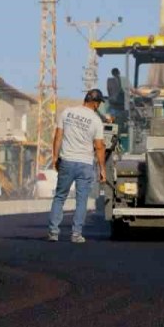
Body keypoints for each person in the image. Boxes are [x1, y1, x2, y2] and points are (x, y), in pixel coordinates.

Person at [46, 89, 107, 243]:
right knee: (81, 200)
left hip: (67, 161)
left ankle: (53, 232)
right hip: (85, 164)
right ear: (95, 103)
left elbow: (58, 136)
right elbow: (99, 146)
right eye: (99, 103)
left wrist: (55, 157)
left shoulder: (67, 112)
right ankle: (76, 234)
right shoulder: (96, 120)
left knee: (60, 197)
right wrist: (102, 170)